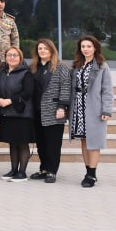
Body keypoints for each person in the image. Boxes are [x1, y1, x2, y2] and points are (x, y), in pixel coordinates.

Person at [71, 35, 114, 188]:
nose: (86, 49)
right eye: (83, 46)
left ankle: (92, 175)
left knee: (94, 143)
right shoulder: (77, 65)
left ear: (95, 48)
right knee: (84, 140)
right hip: (79, 108)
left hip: (94, 108)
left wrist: (107, 110)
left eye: (89, 46)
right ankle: (87, 170)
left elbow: (107, 90)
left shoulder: (102, 66)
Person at [30, 38, 72, 184]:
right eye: (40, 48)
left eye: (45, 48)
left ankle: (52, 171)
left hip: (54, 111)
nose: (42, 51)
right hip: (37, 111)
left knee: (53, 144)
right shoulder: (34, 67)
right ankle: (44, 169)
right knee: (41, 142)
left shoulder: (61, 67)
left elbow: (66, 87)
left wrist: (62, 107)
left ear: (52, 51)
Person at [0, 46, 37, 182]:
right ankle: (13, 170)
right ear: (5, 58)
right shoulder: (2, 72)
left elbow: (27, 92)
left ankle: (22, 172)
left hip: (22, 114)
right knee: (12, 143)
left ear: (20, 58)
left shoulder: (26, 73)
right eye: (9, 55)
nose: (12, 58)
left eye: (15, 55)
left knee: (22, 143)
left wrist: (10, 101)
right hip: (7, 114)